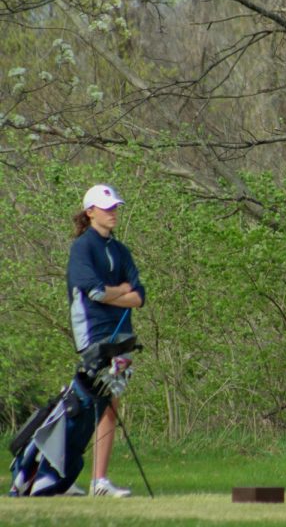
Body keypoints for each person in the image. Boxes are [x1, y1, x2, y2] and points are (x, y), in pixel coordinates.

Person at [67, 184, 146, 497]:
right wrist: (119, 292)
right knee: (88, 404)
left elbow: (139, 297)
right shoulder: (83, 248)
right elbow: (93, 291)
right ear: (90, 212)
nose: (112, 212)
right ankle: (62, 474)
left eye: (114, 207)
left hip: (120, 336)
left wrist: (116, 295)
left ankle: (99, 480)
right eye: (106, 208)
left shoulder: (120, 250)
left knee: (110, 404)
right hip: (93, 332)